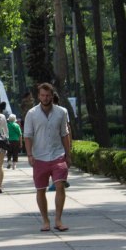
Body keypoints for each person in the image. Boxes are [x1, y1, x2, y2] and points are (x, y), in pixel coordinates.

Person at [23, 82, 72, 232]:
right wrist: (30, 154)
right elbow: (27, 136)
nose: (45, 98)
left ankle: (58, 219)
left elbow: (65, 134)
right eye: (42, 95)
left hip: (58, 155)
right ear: (39, 96)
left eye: (48, 95)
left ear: (52, 96)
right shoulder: (31, 114)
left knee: (60, 186)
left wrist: (68, 154)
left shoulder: (61, 112)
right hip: (40, 157)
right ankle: (45, 221)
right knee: (41, 190)